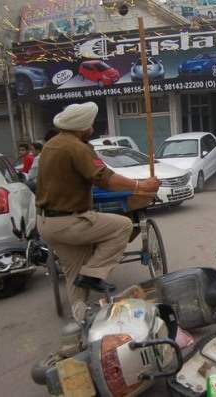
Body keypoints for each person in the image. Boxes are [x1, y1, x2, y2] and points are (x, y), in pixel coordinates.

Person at [36, 102, 161, 316]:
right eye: (91, 125)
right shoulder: (76, 147)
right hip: (69, 222)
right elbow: (105, 179)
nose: (93, 129)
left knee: (74, 273)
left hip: (46, 223)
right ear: (83, 127)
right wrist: (141, 186)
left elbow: (99, 172)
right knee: (122, 225)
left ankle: (81, 317)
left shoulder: (52, 144)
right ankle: (94, 275)